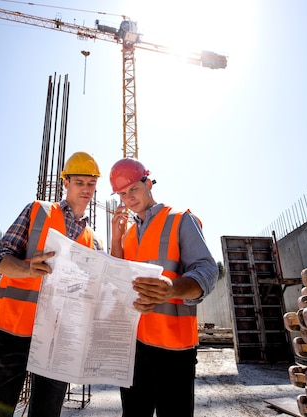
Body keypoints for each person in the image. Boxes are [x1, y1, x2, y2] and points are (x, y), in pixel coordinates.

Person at [0, 151, 103, 417]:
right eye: (79, 182)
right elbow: (1, 259)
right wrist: (27, 268)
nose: (86, 189)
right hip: (15, 329)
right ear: (65, 183)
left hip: (58, 338)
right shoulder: (38, 211)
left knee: (47, 411)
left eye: (91, 183)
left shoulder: (93, 240)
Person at [109, 157, 219, 417]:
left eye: (133, 189)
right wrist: (116, 238)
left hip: (174, 349)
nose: (129, 198)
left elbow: (207, 270)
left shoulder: (180, 220)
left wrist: (172, 289)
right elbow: (118, 277)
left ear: (148, 183)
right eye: (123, 194)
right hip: (136, 347)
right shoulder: (128, 235)